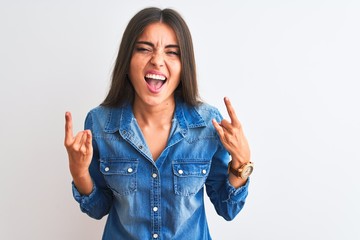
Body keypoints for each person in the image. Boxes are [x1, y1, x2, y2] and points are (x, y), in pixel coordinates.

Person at [64, 7, 253, 240]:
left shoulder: (207, 124)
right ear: (127, 59)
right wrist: (79, 172)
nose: (157, 61)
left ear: (185, 65)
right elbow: (98, 208)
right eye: (144, 49)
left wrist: (241, 164)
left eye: (172, 52)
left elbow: (228, 209)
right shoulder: (101, 123)